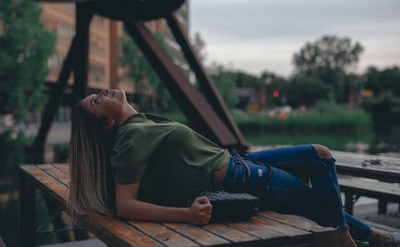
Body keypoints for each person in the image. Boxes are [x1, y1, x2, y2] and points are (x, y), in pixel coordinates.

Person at [68, 88, 398, 247]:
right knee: (320, 172)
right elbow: (126, 205)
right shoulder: (131, 136)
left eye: (95, 93)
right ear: (108, 123)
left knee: (319, 161)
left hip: (240, 164)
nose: (102, 92)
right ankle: (348, 238)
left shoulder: (137, 126)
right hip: (242, 179)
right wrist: (186, 215)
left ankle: (363, 234)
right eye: (96, 101)